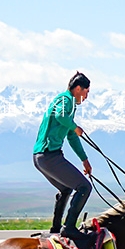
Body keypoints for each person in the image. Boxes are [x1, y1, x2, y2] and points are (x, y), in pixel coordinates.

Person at [33, 71, 93, 239]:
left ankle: (56, 228)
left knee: (66, 188)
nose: (86, 97)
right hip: (48, 156)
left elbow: (72, 137)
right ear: (78, 88)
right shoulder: (66, 100)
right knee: (84, 187)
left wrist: (85, 160)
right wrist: (74, 127)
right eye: (86, 92)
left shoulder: (69, 105)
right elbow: (61, 117)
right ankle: (69, 227)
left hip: (42, 157)